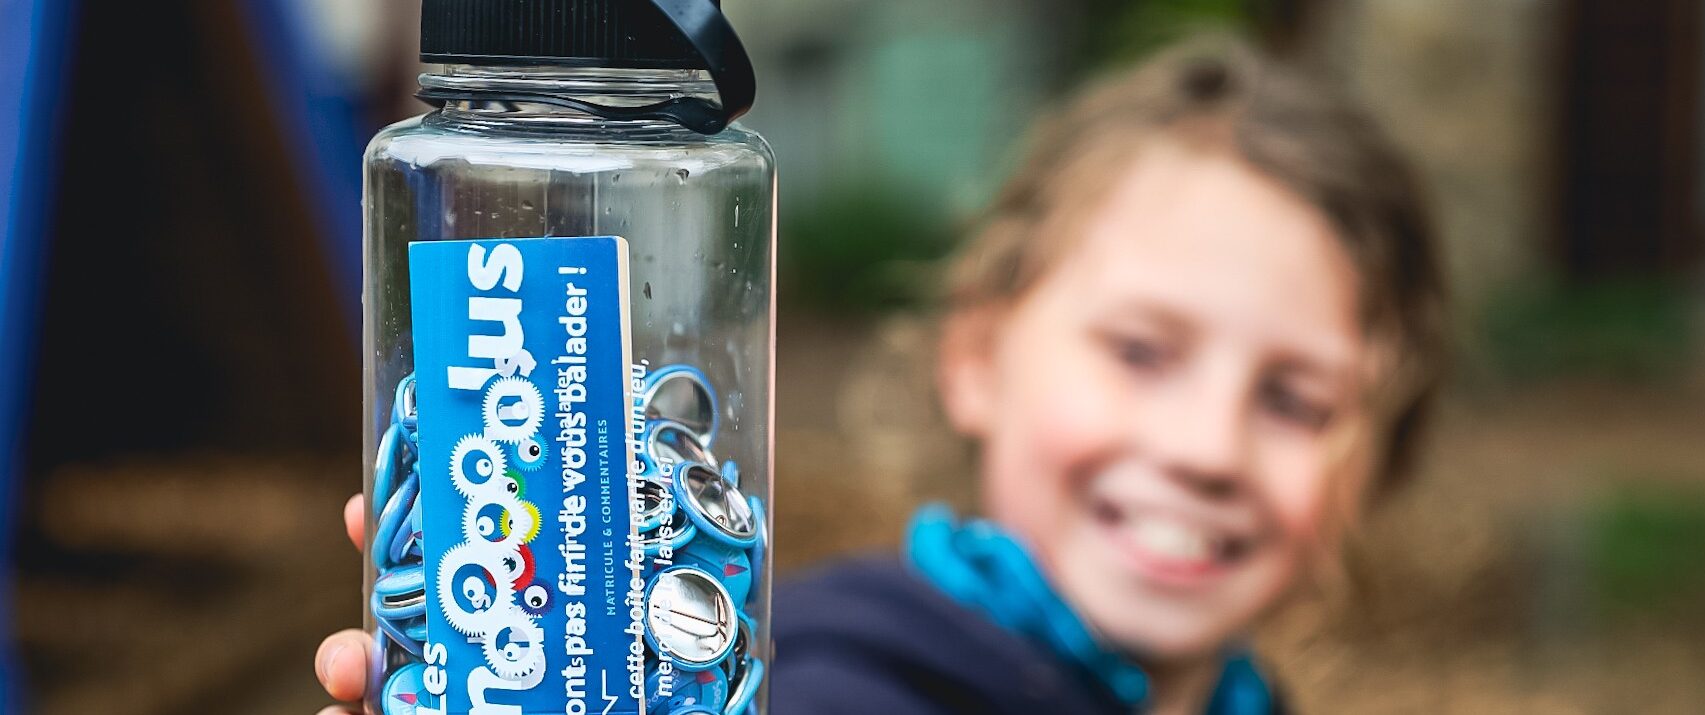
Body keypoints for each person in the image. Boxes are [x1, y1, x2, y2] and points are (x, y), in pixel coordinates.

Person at [315, 36, 1447, 715]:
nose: (1205, 445)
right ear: (975, 356)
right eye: (1140, 351)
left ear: (1376, 461)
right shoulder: (834, 686)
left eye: (1295, 399)